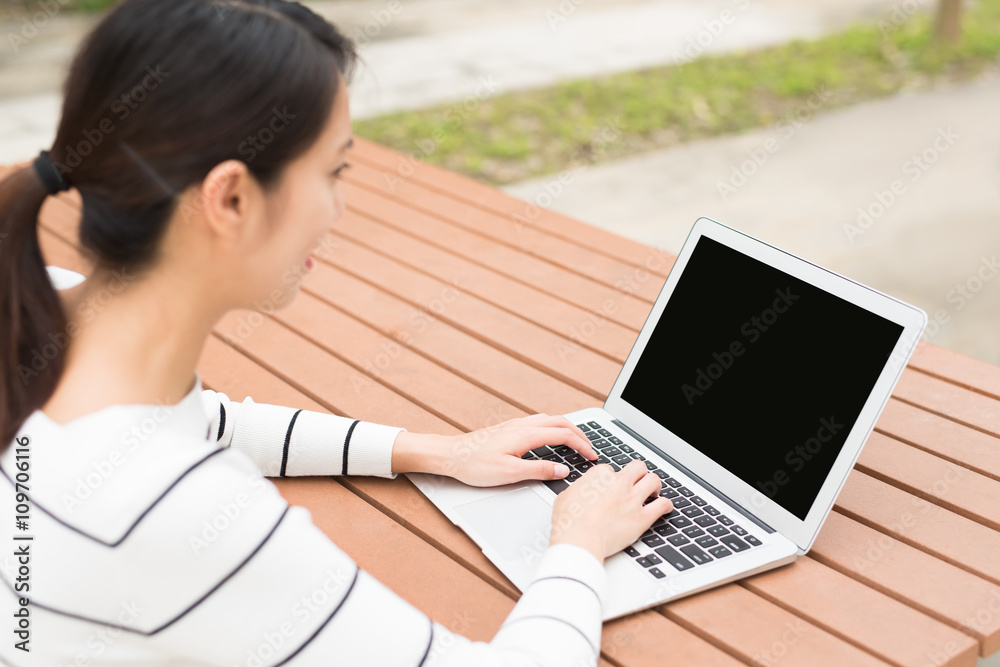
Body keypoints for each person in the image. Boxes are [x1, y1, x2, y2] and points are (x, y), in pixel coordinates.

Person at [0, 1, 673, 664]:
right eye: (332, 172)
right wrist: (579, 545)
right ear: (230, 198)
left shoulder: (38, 313)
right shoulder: (173, 509)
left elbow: (210, 421)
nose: (340, 209)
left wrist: (441, 451)